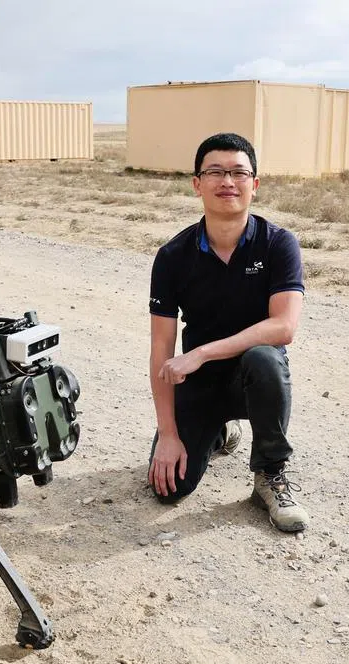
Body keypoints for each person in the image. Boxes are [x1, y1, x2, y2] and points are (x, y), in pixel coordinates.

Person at [147, 132, 308, 532]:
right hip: (199, 382)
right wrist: (168, 434)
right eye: (215, 172)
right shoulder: (172, 257)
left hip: (251, 379)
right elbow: (161, 348)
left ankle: (269, 473)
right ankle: (217, 432)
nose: (227, 182)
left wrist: (202, 352)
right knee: (168, 489)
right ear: (196, 184)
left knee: (265, 358)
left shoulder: (278, 244)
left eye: (239, 173)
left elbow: (284, 327)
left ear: (255, 184)